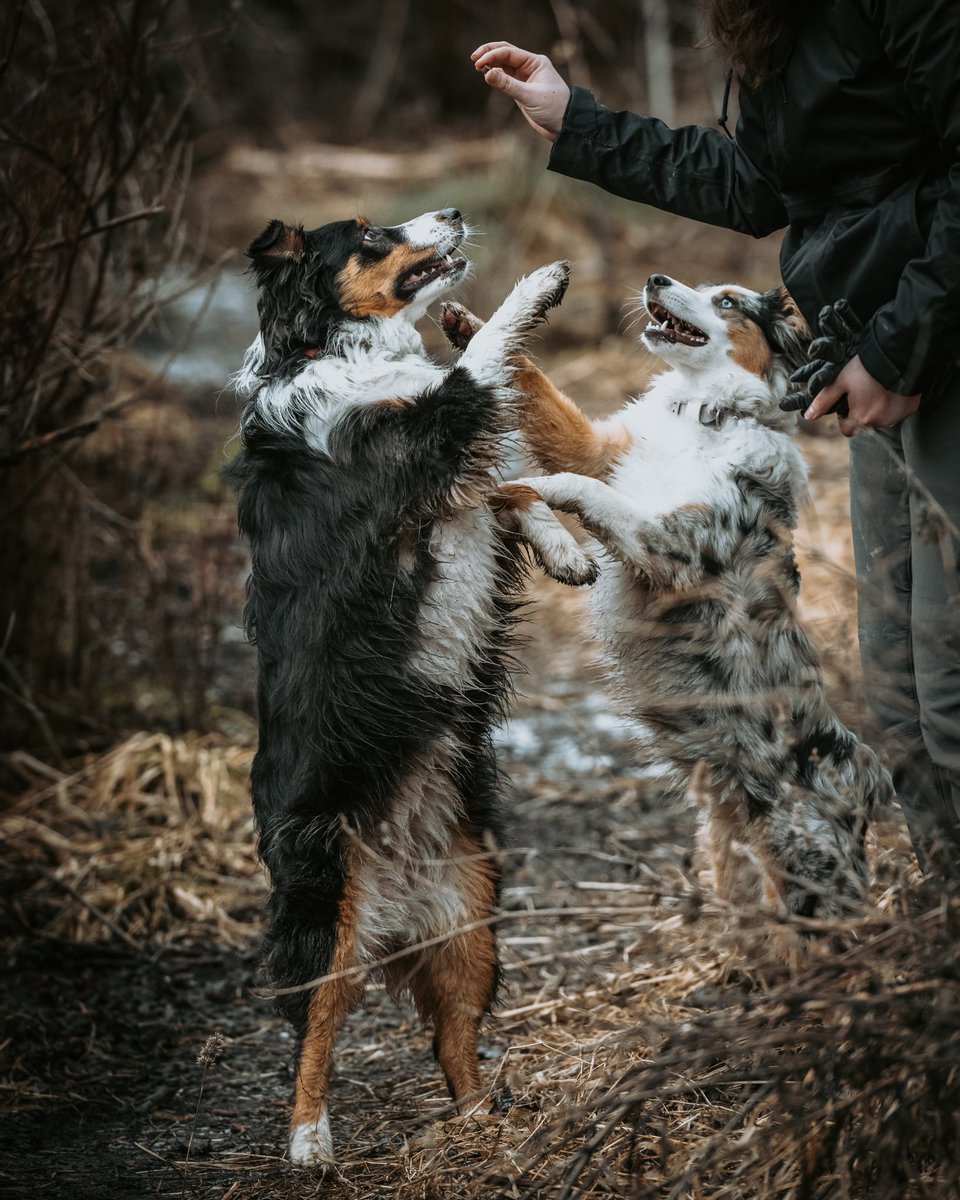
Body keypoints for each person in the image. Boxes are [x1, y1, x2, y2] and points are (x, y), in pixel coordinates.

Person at [471, 5, 960, 883]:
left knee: (950, 687)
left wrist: (900, 347)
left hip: (929, 345)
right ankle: (934, 952)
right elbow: (759, 184)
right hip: (879, 358)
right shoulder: (760, 22)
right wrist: (574, 119)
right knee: (899, 698)